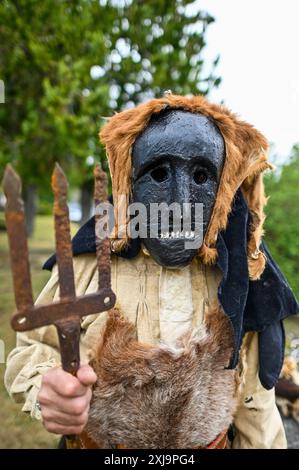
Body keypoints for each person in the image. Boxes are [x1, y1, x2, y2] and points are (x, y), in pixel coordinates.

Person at [5, 93, 298, 448]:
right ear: (129, 183)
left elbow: (256, 408)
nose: (180, 201)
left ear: (222, 189)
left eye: (202, 175)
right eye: (159, 173)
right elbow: (32, 348)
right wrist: (45, 385)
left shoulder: (239, 279)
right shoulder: (87, 266)